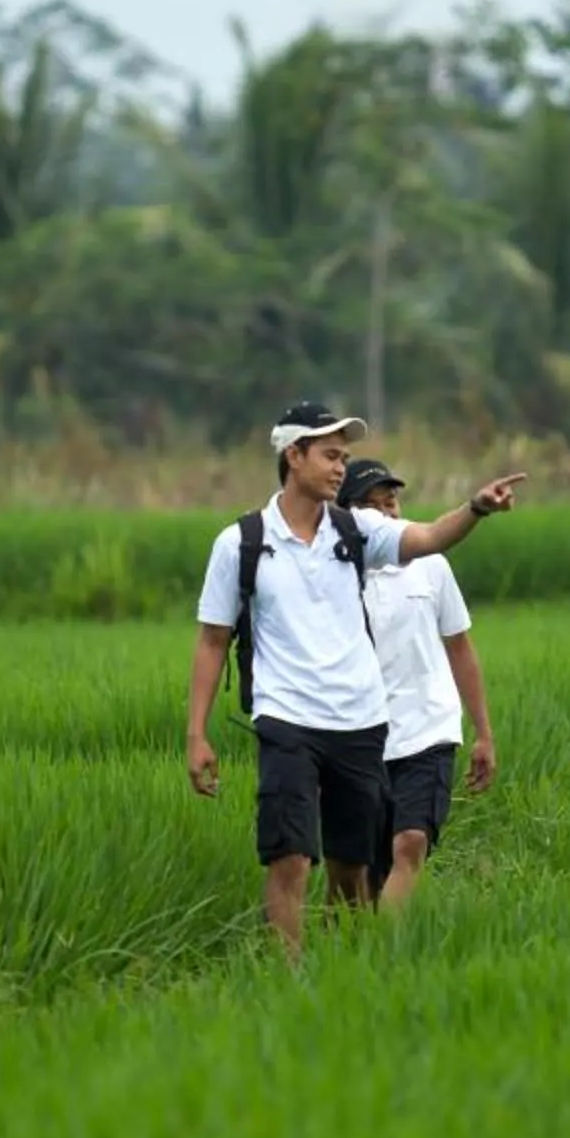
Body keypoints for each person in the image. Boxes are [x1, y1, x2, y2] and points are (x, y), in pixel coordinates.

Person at [185, 400, 524, 959]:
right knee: (289, 856)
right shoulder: (241, 543)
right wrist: (196, 733)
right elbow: (213, 640)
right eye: (330, 455)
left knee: (351, 867)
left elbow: (428, 538)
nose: (340, 467)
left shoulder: (356, 530)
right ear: (294, 456)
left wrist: (475, 509)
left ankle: (347, 963)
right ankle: (287, 979)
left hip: (360, 723)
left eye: (344, 457)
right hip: (285, 718)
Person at [337, 456, 496, 912]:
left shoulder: (430, 565)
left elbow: (459, 647)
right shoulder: (335, 574)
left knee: (410, 842)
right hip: (360, 735)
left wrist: (483, 732)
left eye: (390, 502)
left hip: (428, 729)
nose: (385, 514)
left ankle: (381, 946)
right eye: (370, 506)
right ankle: (358, 943)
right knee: (363, 867)